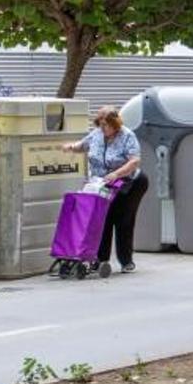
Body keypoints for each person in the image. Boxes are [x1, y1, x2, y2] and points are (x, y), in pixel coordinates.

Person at [61, 107, 147, 273]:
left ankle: (126, 261)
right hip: (103, 183)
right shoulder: (97, 134)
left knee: (122, 219)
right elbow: (82, 145)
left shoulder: (127, 135)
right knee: (101, 218)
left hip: (129, 182)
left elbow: (134, 161)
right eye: (101, 125)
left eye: (106, 125)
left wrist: (116, 173)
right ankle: (100, 259)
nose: (103, 129)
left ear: (115, 124)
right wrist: (70, 147)